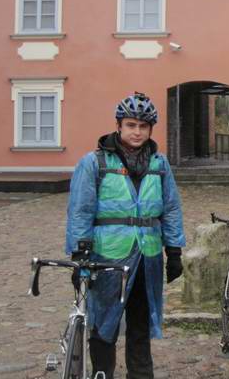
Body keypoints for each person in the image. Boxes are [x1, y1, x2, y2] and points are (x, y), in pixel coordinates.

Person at [66, 92, 185, 379]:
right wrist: (79, 252)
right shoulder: (95, 162)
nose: (137, 132)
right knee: (104, 322)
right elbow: (81, 209)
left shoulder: (159, 164)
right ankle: (102, 373)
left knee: (140, 322)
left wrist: (174, 250)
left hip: (148, 256)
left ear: (150, 130)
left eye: (143, 126)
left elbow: (170, 207)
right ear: (119, 126)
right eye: (131, 125)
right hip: (107, 255)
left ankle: (141, 375)